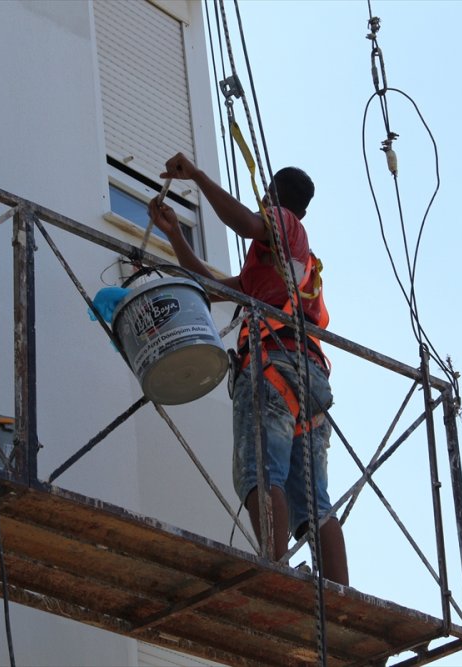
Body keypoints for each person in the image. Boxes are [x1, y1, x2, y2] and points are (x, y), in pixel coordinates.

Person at [148, 152, 348, 586]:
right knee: (312, 500)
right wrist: (176, 234)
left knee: (260, 470)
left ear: (273, 199)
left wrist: (198, 177)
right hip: (309, 375)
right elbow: (213, 288)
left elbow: (249, 224)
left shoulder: (283, 227)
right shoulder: (287, 266)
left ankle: (273, 572)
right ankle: (340, 596)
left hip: (275, 365)